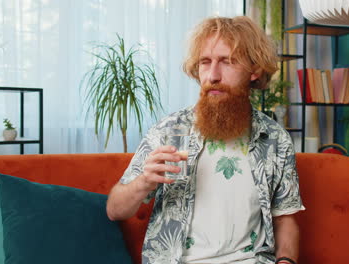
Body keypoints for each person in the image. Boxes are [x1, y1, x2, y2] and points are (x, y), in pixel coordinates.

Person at [106, 16, 305, 264]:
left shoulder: (275, 139)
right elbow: (115, 210)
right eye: (205, 62)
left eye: (227, 62)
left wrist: (286, 261)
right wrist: (144, 182)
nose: (213, 75)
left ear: (254, 70)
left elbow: (285, 218)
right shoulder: (169, 131)